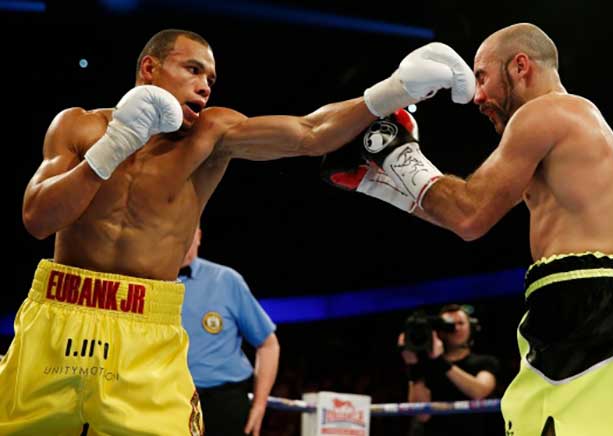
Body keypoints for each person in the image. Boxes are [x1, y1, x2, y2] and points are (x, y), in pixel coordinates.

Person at [1, 27, 474, 435]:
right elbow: (38, 218)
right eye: (192, 70)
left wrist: (391, 91)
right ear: (149, 68)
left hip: (146, 333)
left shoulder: (211, 135)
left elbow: (310, 134)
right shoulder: (79, 126)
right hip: (58, 317)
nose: (205, 87)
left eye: (210, 78)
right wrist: (115, 144)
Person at [327, 23, 613, 435]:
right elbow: (463, 217)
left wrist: (393, 149)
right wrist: (378, 181)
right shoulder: (576, 129)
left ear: (519, 66)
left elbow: (469, 214)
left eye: (482, 76)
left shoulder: (544, 112)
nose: (477, 96)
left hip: (586, 314)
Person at [179, 227, 279, 436]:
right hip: (169, 399)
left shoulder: (225, 280)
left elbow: (268, 344)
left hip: (224, 401)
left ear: (199, 236)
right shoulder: (150, 279)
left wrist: (260, 405)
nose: (184, 240)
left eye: (189, 232)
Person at [399, 304, 500, 436]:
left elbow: (479, 391)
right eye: (449, 324)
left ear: (471, 327)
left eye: (461, 323)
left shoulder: (485, 362)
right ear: (439, 330)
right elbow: (421, 415)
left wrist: (439, 360)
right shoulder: (424, 365)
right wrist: (413, 365)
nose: (456, 328)